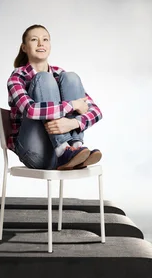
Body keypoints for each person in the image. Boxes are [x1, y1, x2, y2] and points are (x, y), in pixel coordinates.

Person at [6, 24, 103, 170]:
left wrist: (74, 123)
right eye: (34, 39)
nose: (41, 43)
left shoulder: (60, 74)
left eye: (45, 39)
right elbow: (30, 110)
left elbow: (95, 111)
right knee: (43, 79)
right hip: (35, 151)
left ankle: (75, 147)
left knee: (72, 77)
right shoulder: (17, 77)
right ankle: (63, 149)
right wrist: (72, 105)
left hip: (70, 154)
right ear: (24, 47)